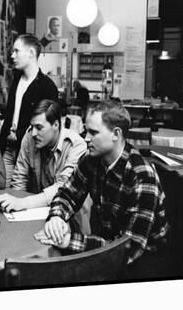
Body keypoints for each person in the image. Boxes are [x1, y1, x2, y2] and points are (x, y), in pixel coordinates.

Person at [33, 100, 169, 280]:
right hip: (105, 245)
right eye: (86, 130)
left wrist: (68, 240)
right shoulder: (91, 159)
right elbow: (67, 194)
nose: (86, 137)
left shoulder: (142, 178)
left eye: (93, 132)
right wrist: (57, 217)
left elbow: (127, 250)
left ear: (116, 134)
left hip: (143, 263)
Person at [0, 100, 90, 232]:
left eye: (39, 127)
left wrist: (21, 203)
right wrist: (14, 210)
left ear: (56, 124)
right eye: (32, 126)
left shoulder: (77, 145)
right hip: (38, 211)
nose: (33, 133)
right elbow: (19, 179)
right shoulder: (29, 137)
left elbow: (63, 189)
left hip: (71, 219)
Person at [0, 34, 58, 187]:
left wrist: (20, 134)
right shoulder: (16, 79)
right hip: (8, 147)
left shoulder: (47, 87)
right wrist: (2, 120)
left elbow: (48, 123)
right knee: (5, 191)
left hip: (33, 151)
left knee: (26, 194)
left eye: (16, 51)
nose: (12, 55)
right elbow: (14, 110)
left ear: (31, 53)